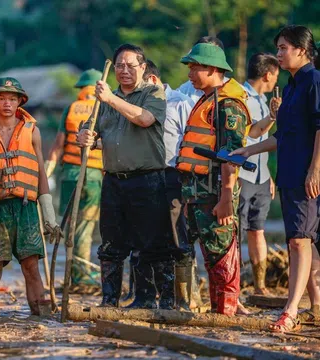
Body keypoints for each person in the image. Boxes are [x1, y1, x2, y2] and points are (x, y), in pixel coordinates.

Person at [231, 25, 320, 332]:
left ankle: (291, 310)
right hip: (290, 174)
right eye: (278, 48)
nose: (279, 53)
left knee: (298, 241)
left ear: (302, 50)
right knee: (306, 240)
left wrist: (315, 169)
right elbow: (284, 136)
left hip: (308, 176)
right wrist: (248, 149)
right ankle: (314, 306)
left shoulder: (313, 81)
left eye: (284, 48)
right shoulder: (292, 86)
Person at [77, 44, 173, 309]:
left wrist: (109, 99)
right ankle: (109, 300)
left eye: (131, 65)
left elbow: (143, 119)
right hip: (114, 180)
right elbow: (91, 130)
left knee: (151, 242)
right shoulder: (105, 100)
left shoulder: (153, 92)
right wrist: (85, 137)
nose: (125, 71)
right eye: (120, 65)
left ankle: (154, 300)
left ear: (143, 68)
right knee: (111, 243)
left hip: (147, 180)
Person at [0, 77, 61, 316]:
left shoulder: (32, 131)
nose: (7, 103)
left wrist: (48, 215)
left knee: (31, 266)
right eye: (2, 98)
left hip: (26, 207)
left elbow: (40, 170)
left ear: (20, 102)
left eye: (12, 98)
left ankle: (41, 318)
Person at [176, 41, 251, 316]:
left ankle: (227, 313)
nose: (190, 73)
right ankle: (217, 312)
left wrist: (225, 198)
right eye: (190, 67)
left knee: (222, 253)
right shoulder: (207, 99)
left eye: (196, 67)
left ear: (214, 69)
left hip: (215, 192)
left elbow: (231, 156)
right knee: (208, 256)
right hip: (195, 191)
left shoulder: (228, 106)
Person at [132, 59, 197, 310]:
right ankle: (146, 297)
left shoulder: (180, 102)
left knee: (177, 237)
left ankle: (181, 301)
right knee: (146, 238)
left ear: (154, 81)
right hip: (145, 175)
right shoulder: (138, 106)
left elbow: (187, 141)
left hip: (173, 175)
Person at [45, 69, 103, 286]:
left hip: (70, 173)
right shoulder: (104, 107)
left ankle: (75, 271)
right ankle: (82, 274)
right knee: (85, 226)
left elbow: (57, 146)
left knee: (71, 224)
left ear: (81, 88)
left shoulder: (71, 108)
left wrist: (46, 173)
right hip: (94, 175)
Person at [238, 53, 280, 296]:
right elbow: (252, 135)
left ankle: (260, 285)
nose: (276, 80)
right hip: (243, 174)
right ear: (267, 74)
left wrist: (269, 175)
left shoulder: (265, 100)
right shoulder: (241, 98)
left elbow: (264, 141)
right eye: (275, 75)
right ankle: (232, 285)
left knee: (258, 229)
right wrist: (272, 117)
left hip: (261, 176)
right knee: (238, 231)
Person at [177, 37, 229, 104]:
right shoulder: (183, 92)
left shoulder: (229, 101)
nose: (189, 75)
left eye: (194, 69)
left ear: (212, 70)